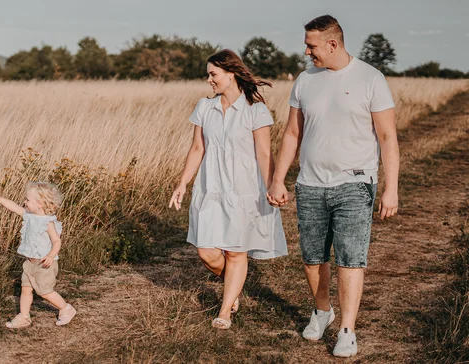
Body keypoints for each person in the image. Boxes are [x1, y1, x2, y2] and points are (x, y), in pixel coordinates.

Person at [267, 15, 399, 358]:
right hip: (310, 184)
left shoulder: (371, 78)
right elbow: (293, 133)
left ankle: (346, 330)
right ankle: (323, 311)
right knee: (312, 258)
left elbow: (387, 137)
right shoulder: (305, 80)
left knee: (350, 260)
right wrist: (278, 178)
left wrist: (391, 187)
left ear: (332, 44)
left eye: (311, 45)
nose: (307, 52)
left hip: (355, 183)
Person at [169, 49, 288, 329]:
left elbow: (263, 153)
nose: (209, 80)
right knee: (206, 251)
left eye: (213, 74)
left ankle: (225, 309)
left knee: (236, 252)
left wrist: (273, 184)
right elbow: (197, 148)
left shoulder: (255, 110)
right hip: (210, 188)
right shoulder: (204, 107)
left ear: (231, 73)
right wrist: (182, 183)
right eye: (208, 75)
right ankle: (232, 287)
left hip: (244, 190)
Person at [0, 181, 76, 328]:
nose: (24, 202)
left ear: (40, 204)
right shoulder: (29, 215)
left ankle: (66, 308)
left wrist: (51, 255)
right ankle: (24, 316)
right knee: (26, 288)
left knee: (45, 291)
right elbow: (14, 207)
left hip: (44, 263)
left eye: (27, 200)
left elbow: (56, 241)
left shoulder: (48, 222)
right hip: (29, 263)